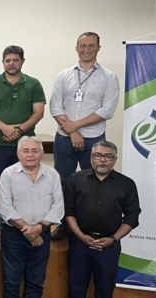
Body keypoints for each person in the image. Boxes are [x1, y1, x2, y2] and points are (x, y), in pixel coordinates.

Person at [49, 32, 120, 240]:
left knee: (94, 183)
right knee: (63, 182)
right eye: (82, 46)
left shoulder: (109, 77)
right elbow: (55, 107)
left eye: (91, 46)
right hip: (64, 139)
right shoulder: (64, 75)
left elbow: (107, 110)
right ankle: (64, 224)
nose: (86, 50)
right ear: (76, 48)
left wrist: (75, 126)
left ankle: (88, 226)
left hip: (95, 138)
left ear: (99, 48)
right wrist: (72, 131)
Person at [0, 45, 46, 235]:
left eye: (15, 60)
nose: (11, 63)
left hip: (25, 147)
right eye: (7, 60)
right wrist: (5, 128)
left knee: (22, 185)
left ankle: (18, 225)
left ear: (22, 61)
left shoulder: (34, 83)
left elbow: (38, 112)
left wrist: (19, 130)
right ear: (3, 62)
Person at [64, 140, 140, 298]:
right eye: (98, 155)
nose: (103, 159)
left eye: (108, 156)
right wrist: (81, 236)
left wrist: (113, 239)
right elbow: (68, 211)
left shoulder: (127, 184)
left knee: (105, 290)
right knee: (75, 288)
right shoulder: (75, 179)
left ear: (115, 160)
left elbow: (132, 217)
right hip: (80, 243)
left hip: (109, 246)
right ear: (91, 158)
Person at [0, 136, 64, 298]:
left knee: (36, 282)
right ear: (18, 153)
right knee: (12, 282)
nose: (30, 155)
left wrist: (38, 229)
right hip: (13, 236)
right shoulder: (8, 174)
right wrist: (29, 232)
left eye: (35, 151)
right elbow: (6, 208)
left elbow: (58, 206)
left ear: (42, 153)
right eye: (25, 151)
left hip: (43, 233)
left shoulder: (52, 174)